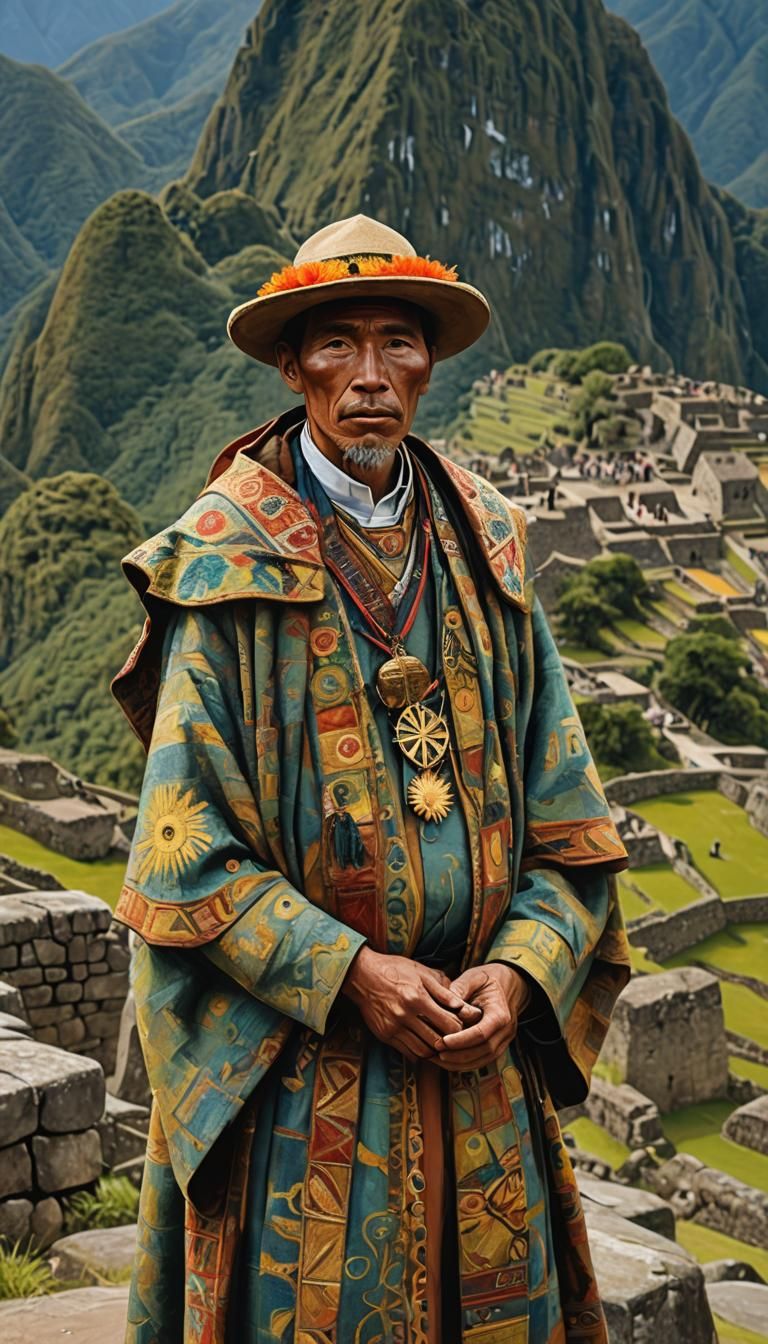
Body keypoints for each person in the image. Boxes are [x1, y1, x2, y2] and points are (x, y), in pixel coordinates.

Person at [111, 214, 631, 1344]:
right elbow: (178, 856)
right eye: (336, 345)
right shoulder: (226, 566)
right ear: (293, 364)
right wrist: (352, 973)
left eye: (397, 342)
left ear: (429, 363)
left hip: (478, 1059)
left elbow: (572, 826)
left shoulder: (488, 547)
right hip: (309, 1078)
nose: (368, 379)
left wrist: (522, 976)